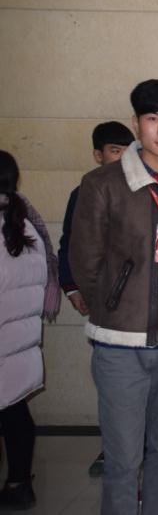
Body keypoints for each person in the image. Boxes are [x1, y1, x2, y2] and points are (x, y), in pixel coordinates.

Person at [70, 79, 158, 515]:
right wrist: (112, 305)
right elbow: (85, 261)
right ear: (137, 124)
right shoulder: (102, 184)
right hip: (120, 344)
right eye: (153, 119)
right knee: (122, 458)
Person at [56, 120, 135, 478]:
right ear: (98, 155)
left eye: (127, 151)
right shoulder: (86, 191)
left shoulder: (143, 190)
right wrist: (74, 289)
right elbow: (70, 243)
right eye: (115, 151)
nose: (123, 158)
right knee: (113, 386)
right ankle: (112, 449)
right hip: (106, 306)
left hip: (144, 308)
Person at [0, 151, 48, 510]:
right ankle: (19, 483)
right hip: (20, 342)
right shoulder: (25, 223)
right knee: (14, 413)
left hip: (6, 340)